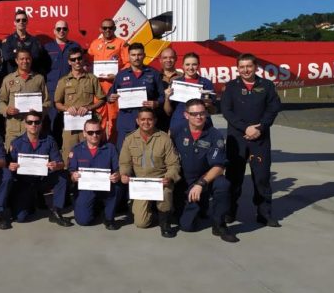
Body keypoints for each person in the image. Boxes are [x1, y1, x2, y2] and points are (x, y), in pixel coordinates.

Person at [220, 53, 282, 227]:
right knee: (233, 177)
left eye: (249, 66)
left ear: (256, 67)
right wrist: (245, 128)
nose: (245, 70)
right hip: (237, 139)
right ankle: (230, 211)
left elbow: (273, 108)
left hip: (260, 139)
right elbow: (227, 111)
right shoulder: (231, 87)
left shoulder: (267, 86)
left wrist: (260, 127)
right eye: (242, 67)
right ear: (237, 69)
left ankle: (264, 213)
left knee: (261, 177)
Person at [172, 99, 238, 243]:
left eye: (202, 113)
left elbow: (219, 166)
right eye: (194, 114)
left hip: (206, 179)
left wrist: (201, 183)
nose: (199, 117)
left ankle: (219, 224)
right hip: (184, 181)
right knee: (187, 226)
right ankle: (200, 205)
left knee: (223, 185)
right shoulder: (177, 130)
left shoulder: (214, 135)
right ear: (186, 115)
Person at [119, 108, 181, 237]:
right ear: (137, 121)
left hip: (161, 181)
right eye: (142, 119)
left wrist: (169, 177)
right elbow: (125, 162)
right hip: (141, 183)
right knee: (141, 223)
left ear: (155, 120)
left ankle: (165, 221)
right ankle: (149, 208)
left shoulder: (164, 139)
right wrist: (124, 174)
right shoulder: (129, 139)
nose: (146, 122)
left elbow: (173, 164)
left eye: (149, 119)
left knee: (166, 193)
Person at [6, 111, 70, 226]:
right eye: (30, 122)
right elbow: (9, 164)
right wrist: (11, 166)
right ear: (25, 124)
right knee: (21, 218)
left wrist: (56, 165)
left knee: (63, 176)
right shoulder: (16, 143)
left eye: (37, 122)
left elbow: (61, 163)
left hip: (43, 180)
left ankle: (56, 210)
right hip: (25, 182)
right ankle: (30, 200)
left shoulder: (49, 141)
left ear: (41, 124)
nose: (33, 125)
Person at [108, 42, 165, 149]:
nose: (136, 58)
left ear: (144, 55)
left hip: (147, 120)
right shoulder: (121, 75)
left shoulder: (153, 73)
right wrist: (111, 98)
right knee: (124, 152)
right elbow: (110, 95)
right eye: (133, 55)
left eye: (139, 54)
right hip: (126, 119)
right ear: (129, 56)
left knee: (147, 152)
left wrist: (156, 103)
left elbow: (162, 96)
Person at [53, 47, 106, 163]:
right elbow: (57, 103)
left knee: (89, 152)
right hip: (70, 124)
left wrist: (89, 108)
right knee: (68, 154)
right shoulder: (63, 81)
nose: (77, 61)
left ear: (83, 59)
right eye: (73, 59)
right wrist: (67, 108)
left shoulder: (92, 79)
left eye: (79, 58)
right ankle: (69, 178)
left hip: (88, 125)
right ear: (69, 62)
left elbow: (102, 99)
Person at [68, 117, 121, 229]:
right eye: (90, 132)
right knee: (83, 221)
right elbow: (71, 171)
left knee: (118, 187)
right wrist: (73, 176)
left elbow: (118, 169)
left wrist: (117, 175)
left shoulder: (110, 148)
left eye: (97, 132)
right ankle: (95, 206)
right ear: (84, 133)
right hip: (86, 189)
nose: (94, 135)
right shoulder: (77, 150)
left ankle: (108, 218)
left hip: (106, 187)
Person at [0, 48, 50, 148]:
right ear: (16, 61)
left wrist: (39, 110)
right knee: (12, 159)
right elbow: (1, 101)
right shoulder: (8, 79)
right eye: (21, 59)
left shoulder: (39, 79)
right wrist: (7, 110)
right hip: (14, 128)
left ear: (31, 60)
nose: (25, 61)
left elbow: (47, 102)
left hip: (33, 129)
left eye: (27, 59)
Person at [88, 18, 128, 142]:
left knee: (114, 119)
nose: (107, 30)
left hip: (114, 86)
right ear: (100, 29)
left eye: (110, 28)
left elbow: (127, 64)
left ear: (115, 29)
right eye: (104, 28)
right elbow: (89, 63)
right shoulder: (95, 43)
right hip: (98, 88)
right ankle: (99, 145)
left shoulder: (121, 43)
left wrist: (117, 76)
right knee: (99, 118)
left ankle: (113, 146)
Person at [44, 21, 82, 146]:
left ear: (68, 30)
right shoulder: (47, 48)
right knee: (52, 122)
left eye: (64, 28)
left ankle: (68, 150)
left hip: (71, 91)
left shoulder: (74, 46)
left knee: (70, 123)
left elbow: (81, 66)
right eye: (58, 29)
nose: (61, 31)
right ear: (54, 31)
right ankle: (54, 150)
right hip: (52, 90)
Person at [163, 51, 217, 136]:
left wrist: (209, 105)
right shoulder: (175, 83)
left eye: (194, 64)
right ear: (183, 66)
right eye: (187, 64)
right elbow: (168, 112)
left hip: (201, 127)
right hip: (179, 125)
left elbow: (213, 111)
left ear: (198, 65)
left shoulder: (207, 83)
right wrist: (167, 98)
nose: (191, 68)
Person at [1, 9, 44, 75]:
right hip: (13, 77)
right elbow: (7, 57)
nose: (21, 22)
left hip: (30, 77)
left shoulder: (33, 40)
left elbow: (35, 56)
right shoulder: (8, 40)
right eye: (18, 20)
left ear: (27, 22)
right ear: (14, 22)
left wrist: (15, 52)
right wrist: (27, 54)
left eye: (23, 20)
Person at [157, 47, 183, 133]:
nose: (168, 60)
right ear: (160, 60)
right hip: (158, 120)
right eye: (165, 58)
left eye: (171, 57)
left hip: (179, 118)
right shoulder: (154, 77)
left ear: (176, 59)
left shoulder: (183, 77)